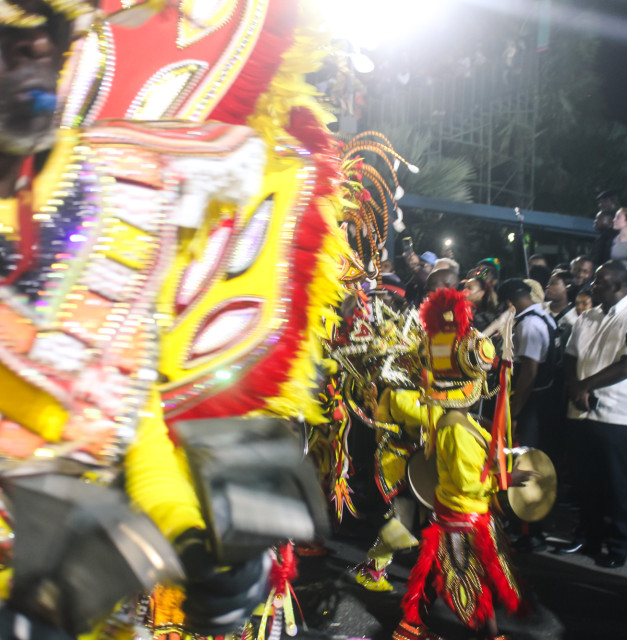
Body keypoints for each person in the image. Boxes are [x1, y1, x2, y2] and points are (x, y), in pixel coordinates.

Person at [0, 0, 342, 636]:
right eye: (8, 43)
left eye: (41, 41)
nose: (30, 63)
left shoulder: (122, 200)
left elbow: (135, 413)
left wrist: (195, 540)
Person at [392, 288, 528, 640]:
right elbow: (470, 482)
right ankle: (490, 635)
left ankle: (410, 626)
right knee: (471, 577)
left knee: (439, 571)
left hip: (454, 510)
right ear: (473, 386)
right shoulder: (457, 427)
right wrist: (508, 478)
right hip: (463, 515)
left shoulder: (455, 422)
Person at [558, 261, 627, 568]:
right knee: (586, 481)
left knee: (620, 484)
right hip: (582, 413)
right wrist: (575, 387)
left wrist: (585, 386)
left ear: (620, 287)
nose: (593, 286)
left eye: (601, 282)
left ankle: (618, 545)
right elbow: (570, 356)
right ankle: (589, 536)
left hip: (618, 415)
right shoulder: (587, 316)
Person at [497, 279, 556, 552]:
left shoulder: (530, 325)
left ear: (510, 302)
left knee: (525, 462)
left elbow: (529, 373)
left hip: (531, 405)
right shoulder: (541, 315)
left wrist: (516, 411)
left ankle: (531, 530)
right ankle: (525, 526)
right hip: (537, 403)